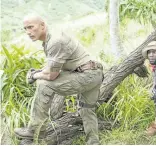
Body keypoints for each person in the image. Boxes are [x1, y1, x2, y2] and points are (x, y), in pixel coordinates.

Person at [14, 14, 103, 145]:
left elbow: (51, 76)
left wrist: (33, 76)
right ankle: (93, 142)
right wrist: (40, 72)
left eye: (31, 27)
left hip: (86, 76)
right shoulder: (51, 37)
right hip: (94, 73)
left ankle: (35, 131)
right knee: (86, 109)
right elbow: (52, 68)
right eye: (25, 28)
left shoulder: (55, 41)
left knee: (44, 84)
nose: (28, 32)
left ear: (42, 25)